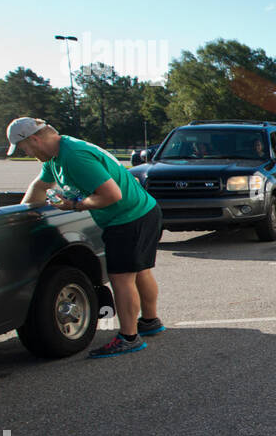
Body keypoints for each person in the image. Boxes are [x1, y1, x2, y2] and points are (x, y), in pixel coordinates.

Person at [9, 117, 165, 358]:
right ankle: (150, 321)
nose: (26, 153)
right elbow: (40, 186)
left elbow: (111, 195)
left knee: (121, 278)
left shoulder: (73, 156)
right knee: (140, 270)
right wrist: (18, 213)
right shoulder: (56, 156)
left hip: (128, 218)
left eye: (23, 148)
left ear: (34, 139)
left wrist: (74, 205)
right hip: (143, 211)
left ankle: (129, 338)